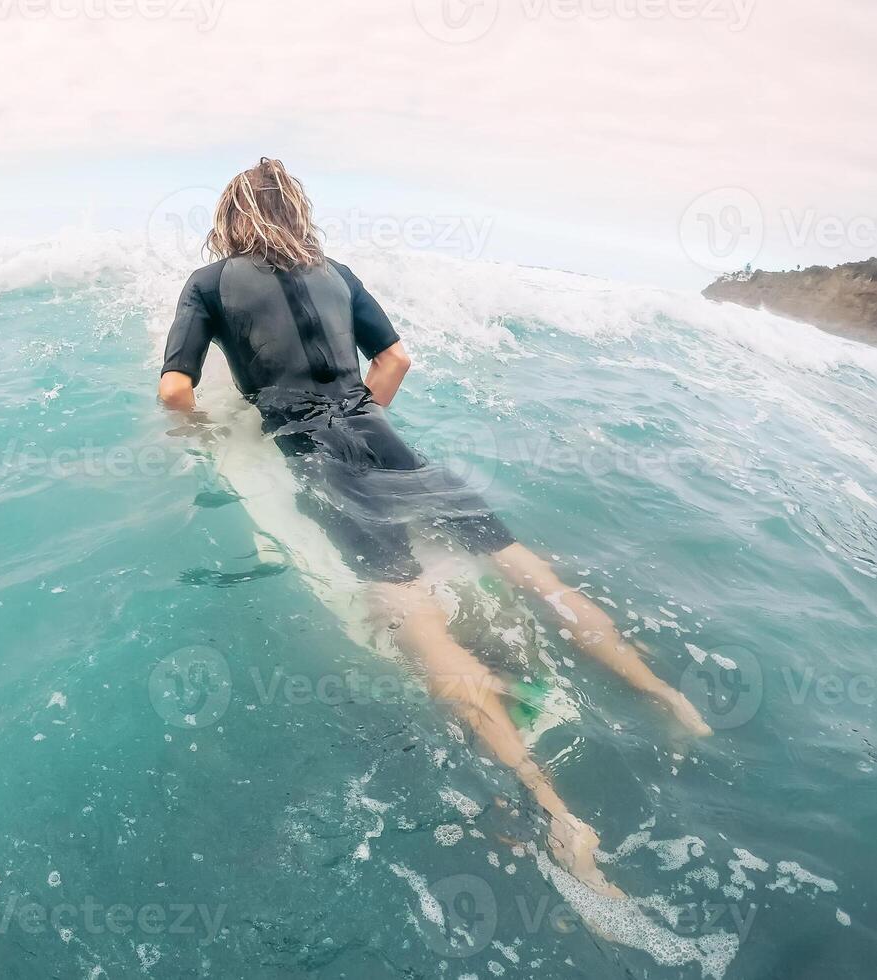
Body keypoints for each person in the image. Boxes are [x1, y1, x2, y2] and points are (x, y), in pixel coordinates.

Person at [157, 157, 712, 896]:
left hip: (323, 460)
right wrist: (362, 413)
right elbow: (394, 359)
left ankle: (557, 813)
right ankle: (667, 699)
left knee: (414, 622)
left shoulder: (208, 283)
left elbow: (173, 391)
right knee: (529, 572)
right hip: (388, 443)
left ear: (229, 216)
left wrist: (208, 435)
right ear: (297, 210)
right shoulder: (337, 273)